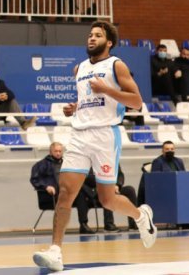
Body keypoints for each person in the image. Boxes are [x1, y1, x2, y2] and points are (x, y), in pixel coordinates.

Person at [33, 21, 157, 272]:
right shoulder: (78, 68)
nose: (91, 38)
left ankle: (141, 216)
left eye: (98, 35)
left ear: (108, 42)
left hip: (105, 136)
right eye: (90, 35)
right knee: (65, 193)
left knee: (107, 199)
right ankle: (56, 251)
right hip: (79, 135)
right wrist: (74, 107)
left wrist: (107, 89)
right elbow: (88, 100)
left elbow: (136, 101)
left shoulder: (116, 65)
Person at [30, 143, 100, 234]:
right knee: (82, 190)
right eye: (56, 151)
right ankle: (92, 195)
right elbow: (35, 179)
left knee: (80, 193)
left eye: (60, 151)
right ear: (50, 152)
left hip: (68, 193)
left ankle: (83, 225)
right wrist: (46, 187)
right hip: (53, 194)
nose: (58, 153)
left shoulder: (67, 163)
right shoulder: (41, 165)